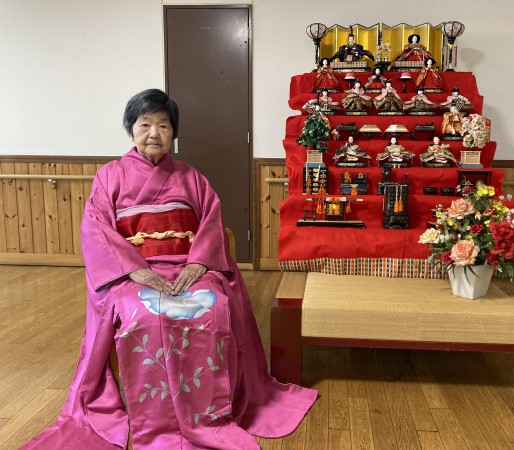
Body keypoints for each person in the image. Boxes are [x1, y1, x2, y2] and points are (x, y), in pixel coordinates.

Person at [22, 89, 317, 450]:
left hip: (190, 266)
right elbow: (97, 229)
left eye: (163, 125)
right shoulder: (108, 176)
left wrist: (198, 263)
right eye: (144, 124)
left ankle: (208, 410)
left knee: (211, 308)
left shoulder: (192, 177)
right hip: (134, 271)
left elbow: (211, 223)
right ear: (130, 129)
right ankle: (154, 416)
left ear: (174, 133)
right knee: (142, 315)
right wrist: (134, 270)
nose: (154, 133)